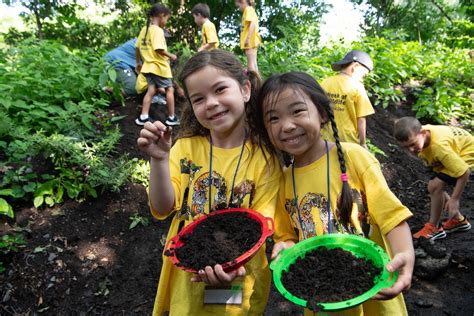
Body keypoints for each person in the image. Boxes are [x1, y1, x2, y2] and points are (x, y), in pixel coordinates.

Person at [252, 72, 414, 315]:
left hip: (374, 294)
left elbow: (391, 216)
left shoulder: (353, 157)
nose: (287, 125)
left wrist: (405, 254)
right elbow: (287, 237)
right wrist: (284, 248)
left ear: (323, 114)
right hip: (322, 300)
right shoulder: (283, 180)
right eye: (273, 118)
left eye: (297, 111)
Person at [137, 49, 281, 315]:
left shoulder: (265, 159)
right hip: (190, 271)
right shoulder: (185, 149)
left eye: (220, 89)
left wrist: (229, 263)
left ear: (245, 89)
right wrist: (158, 159)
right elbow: (162, 207)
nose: (211, 103)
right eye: (199, 98)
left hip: (240, 276)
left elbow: (258, 226)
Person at [394, 117, 472, 240]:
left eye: (413, 144)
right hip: (454, 149)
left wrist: (454, 199)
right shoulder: (422, 135)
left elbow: (464, 172)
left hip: (466, 154)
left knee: (435, 187)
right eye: (406, 147)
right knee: (434, 186)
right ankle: (458, 220)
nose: (411, 150)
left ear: (423, 133)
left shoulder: (439, 147)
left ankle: (434, 227)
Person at [135, 4, 179, 126]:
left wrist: (138, 62)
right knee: (169, 89)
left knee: (151, 90)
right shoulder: (158, 31)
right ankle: (171, 117)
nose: (166, 22)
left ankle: (143, 117)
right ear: (162, 16)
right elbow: (158, 49)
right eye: (167, 19)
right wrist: (171, 56)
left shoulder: (145, 29)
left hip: (148, 66)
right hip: (159, 67)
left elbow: (137, 47)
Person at [320, 50, 374, 148]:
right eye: (364, 75)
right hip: (347, 141)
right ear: (355, 67)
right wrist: (363, 143)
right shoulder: (358, 87)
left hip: (323, 138)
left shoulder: (325, 82)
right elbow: (361, 119)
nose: (362, 79)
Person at [104, 38, 167, 105]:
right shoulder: (146, 45)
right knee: (132, 88)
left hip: (126, 63)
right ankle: (104, 89)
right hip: (116, 62)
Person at [235, 0, 261, 73]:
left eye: (238, 6)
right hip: (252, 41)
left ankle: (252, 83)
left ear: (242, 2)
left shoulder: (248, 9)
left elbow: (252, 23)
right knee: (254, 64)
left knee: (251, 66)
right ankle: (258, 83)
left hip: (250, 41)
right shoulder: (250, 10)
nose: (239, 8)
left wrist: (248, 38)